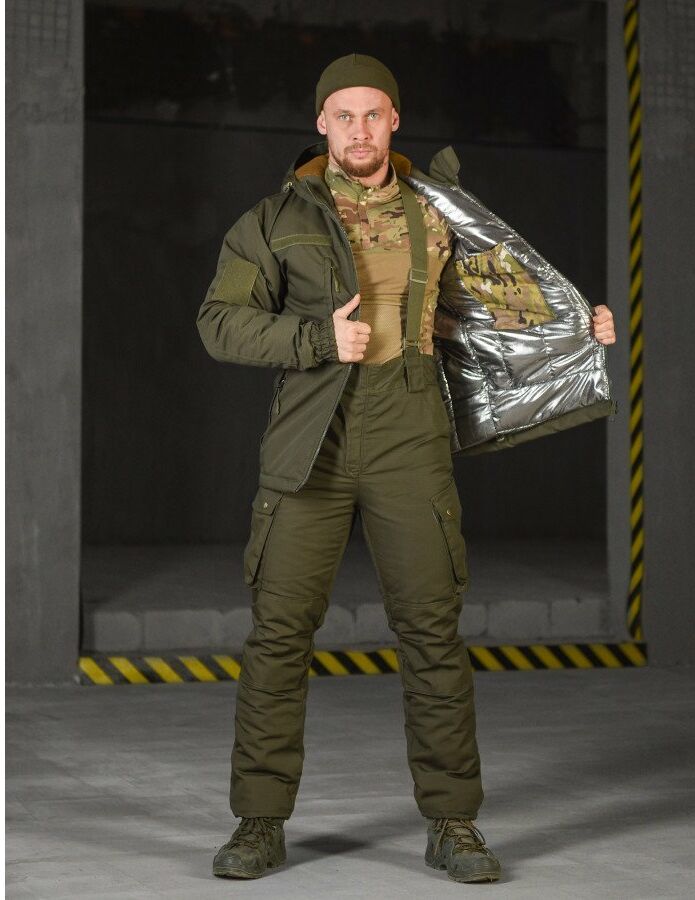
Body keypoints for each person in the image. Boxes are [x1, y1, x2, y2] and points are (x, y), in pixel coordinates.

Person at [197, 53, 616, 885]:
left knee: (432, 632)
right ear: (321, 123)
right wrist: (316, 338)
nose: (359, 130)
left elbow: (497, 308)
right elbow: (219, 322)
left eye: (373, 114)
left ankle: (453, 822)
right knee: (279, 633)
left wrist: (576, 323)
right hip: (311, 437)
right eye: (343, 115)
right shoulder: (275, 218)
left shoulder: (440, 212)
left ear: (395, 120)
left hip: (410, 428)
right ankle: (258, 823)